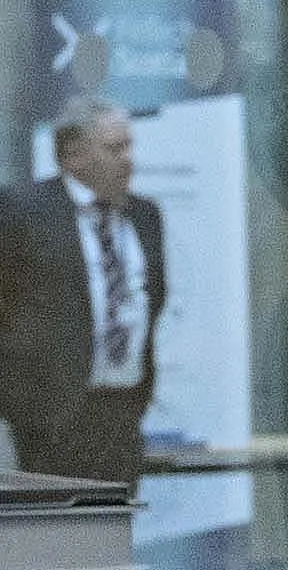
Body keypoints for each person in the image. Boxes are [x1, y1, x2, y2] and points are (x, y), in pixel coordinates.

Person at [0, 99, 165, 483]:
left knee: (116, 532)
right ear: (72, 156)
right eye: (114, 148)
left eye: (129, 146)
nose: (128, 159)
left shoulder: (144, 215)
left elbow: (153, 302)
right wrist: (20, 403)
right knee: (59, 537)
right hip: (50, 418)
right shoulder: (24, 212)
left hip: (122, 413)